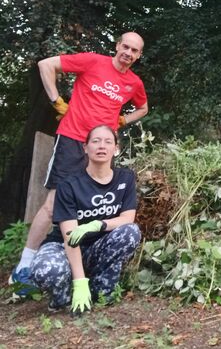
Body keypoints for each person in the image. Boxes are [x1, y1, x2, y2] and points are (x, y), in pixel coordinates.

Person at [10, 32, 148, 295]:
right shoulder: (93, 61)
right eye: (125, 47)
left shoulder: (133, 83)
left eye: (134, 51)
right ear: (117, 46)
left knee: (100, 208)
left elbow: (143, 108)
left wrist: (122, 121)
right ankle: (25, 267)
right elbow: (46, 65)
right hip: (73, 139)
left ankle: (86, 266)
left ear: (139, 55)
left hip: (103, 146)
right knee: (52, 206)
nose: (128, 53)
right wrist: (56, 101)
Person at [30, 125, 141, 313]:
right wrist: (79, 282)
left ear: (116, 149)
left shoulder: (126, 178)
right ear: (85, 148)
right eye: (95, 141)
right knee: (46, 269)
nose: (101, 146)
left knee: (130, 232)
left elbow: (127, 218)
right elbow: (69, 238)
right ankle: (64, 296)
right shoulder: (68, 184)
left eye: (108, 142)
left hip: (97, 247)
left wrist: (98, 224)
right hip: (65, 246)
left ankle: (99, 289)